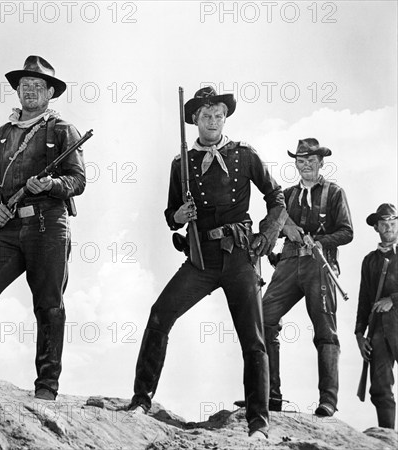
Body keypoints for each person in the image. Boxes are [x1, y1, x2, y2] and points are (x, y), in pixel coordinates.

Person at [127, 86, 287, 438]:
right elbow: (171, 214)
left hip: (240, 256)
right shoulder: (179, 163)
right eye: (206, 116)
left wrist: (267, 235)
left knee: (254, 338)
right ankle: (141, 400)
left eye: (218, 115)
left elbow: (277, 196)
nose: (213, 121)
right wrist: (177, 215)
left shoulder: (245, 155)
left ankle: (258, 423)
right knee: (159, 314)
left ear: (225, 118)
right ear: (195, 120)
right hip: (200, 259)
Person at [0, 56, 86, 401]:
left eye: (38, 85)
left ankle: (47, 387)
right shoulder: (1, 135)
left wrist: (51, 186)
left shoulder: (62, 130)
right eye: (25, 85)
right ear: (18, 90)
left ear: (50, 92)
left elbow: (78, 180)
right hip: (7, 227)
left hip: (48, 224)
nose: (31, 90)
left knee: (49, 304)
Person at [260, 139, 353, 417]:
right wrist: (274, 245)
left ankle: (328, 401)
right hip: (288, 263)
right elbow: (273, 226)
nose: (306, 165)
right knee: (262, 320)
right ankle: (269, 395)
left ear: (321, 162)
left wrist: (322, 241)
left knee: (325, 331)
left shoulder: (334, 192)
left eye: (311, 160)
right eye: (301, 160)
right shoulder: (286, 195)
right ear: (296, 164)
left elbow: (347, 232)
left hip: (319, 266)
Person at [355, 203, 398, 429]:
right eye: (384, 224)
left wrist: (393, 300)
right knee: (380, 387)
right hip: (380, 328)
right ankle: (389, 439)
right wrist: (359, 334)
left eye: (392, 223)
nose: (389, 228)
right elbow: (364, 301)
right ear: (376, 228)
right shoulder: (369, 261)